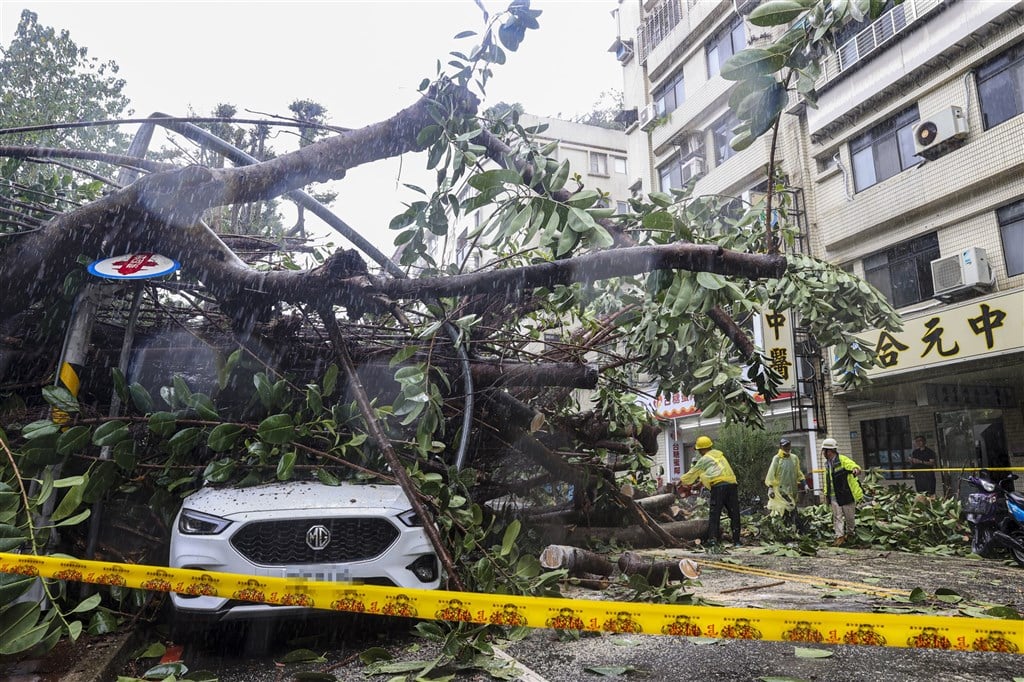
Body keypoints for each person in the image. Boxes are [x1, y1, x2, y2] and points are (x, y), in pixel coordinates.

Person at [679, 435, 741, 547]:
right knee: (734, 513)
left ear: (702, 449)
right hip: (732, 485)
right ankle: (737, 541)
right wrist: (698, 485)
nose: (699, 453)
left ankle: (713, 540)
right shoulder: (720, 456)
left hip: (719, 487)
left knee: (715, 514)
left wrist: (679, 482)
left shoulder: (704, 459)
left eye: (699, 450)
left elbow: (692, 474)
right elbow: (713, 473)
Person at [820, 438, 863, 546]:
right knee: (837, 517)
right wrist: (826, 493)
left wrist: (856, 469)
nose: (823, 453)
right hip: (834, 495)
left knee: (849, 517)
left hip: (846, 494)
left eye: (824, 450)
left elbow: (853, 466)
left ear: (829, 451)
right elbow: (827, 479)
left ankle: (850, 534)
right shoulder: (827, 464)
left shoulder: (842, 460)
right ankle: (839, 537)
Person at [765, 438, 805, 531]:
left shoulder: (794, 458)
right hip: (780, 491)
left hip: (792, 489)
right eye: (784, 446)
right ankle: (783, 529)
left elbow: (798, 472)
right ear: (781, 447)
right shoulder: (777, 458)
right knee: (784, 509)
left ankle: (792, 529)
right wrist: (770, 487)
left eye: (788, 445)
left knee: (792, 508)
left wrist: (804, 483)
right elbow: (771, 473)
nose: (787, 448)